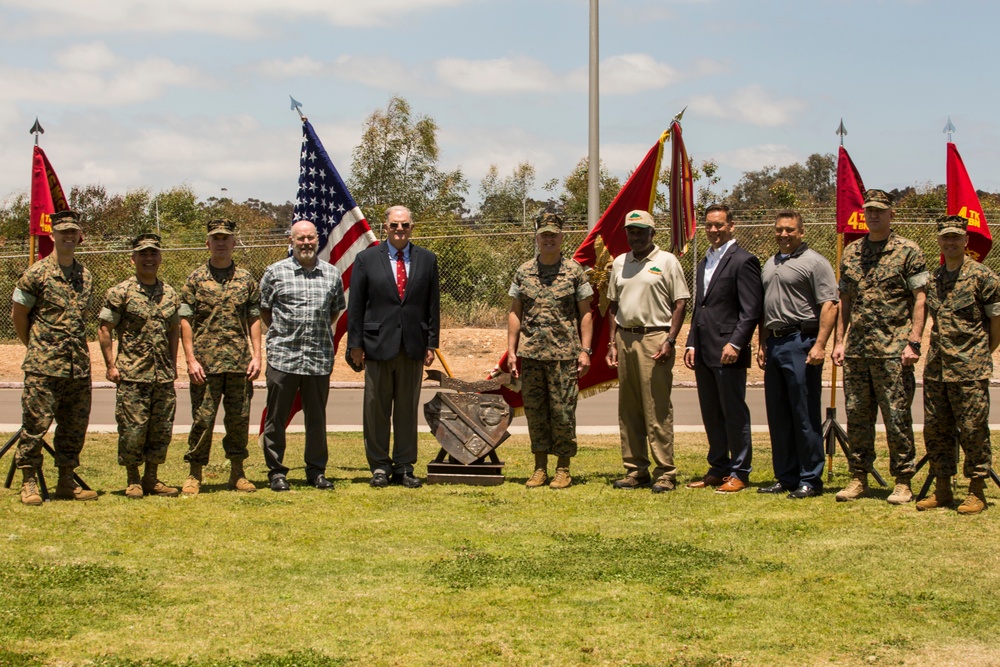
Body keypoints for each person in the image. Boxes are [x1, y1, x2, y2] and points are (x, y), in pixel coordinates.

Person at [832, 189, 928, 504]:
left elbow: (920, 299)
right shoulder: (852, 252)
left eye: (879, 211)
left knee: (897, 416)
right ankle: (859, 477)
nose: (873, 216)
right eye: (869, 211)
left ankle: (903, 481)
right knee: (857, 415)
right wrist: (839, 341)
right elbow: (845, 300)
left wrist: (914, 341)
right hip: (858, 350)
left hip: (894, 351)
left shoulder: (907, 251)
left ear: (891, 214)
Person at [347, 205, 440, 489]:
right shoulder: (366, 259)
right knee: (376, 408)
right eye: (394, 225)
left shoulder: (427, 259)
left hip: (412, 345)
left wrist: (432, 343)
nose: (400, 230)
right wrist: (355, 344)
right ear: (385, 227)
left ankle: (403, 466)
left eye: (405, 225)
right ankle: (378, 466)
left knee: (406, 410)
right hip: (376, 345)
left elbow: (432, 305)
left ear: (412, 227)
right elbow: (356, 306)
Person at [11, 210, 97, 505]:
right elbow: (18, 315)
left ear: (78, 236)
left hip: (77, 366)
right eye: (63, 233)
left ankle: (66, 481)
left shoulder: (85, 275)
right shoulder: (36, 273)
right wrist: (35, 347)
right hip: (43, 366)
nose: (68, 237)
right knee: (35, 426)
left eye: (73, 232)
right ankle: (29, 482)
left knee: (73, 427)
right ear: (53, 236)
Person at [916, 215, 1000, 515]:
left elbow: (996, 324)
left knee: (973, 430)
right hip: (937, 368)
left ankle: (977, 490)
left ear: (966, 241)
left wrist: (979, 355)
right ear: (939, 241)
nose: (950, 242)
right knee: (937, 430)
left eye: (955, 237)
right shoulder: (933, 279)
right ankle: (942, 489)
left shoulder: (984, 277)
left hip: (970, 369)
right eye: (945, 237)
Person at [507, 212, 593, 490]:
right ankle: (539, 468)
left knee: (563, 412)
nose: (548, 239)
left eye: (553, 234)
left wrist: (585, 350)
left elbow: (586, 314)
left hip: (564, 357)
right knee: (535, 412)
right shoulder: (523, 272)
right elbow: (515, 313)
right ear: (537, 237)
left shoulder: (574, 271)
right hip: (531, 355)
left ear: (561, 237)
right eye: (544, 234)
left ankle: (563, 468)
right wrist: (511, 350)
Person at [756, 210, 838, 499]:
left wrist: (819, 345)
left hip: (801, 342)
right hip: (775, 343)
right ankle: (786, 476)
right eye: (779, 229)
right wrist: (762, 342)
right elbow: (765, 308)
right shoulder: (770, 263)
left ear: (801, 232)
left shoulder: (815, 263)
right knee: (778, 415)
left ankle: (810, 479)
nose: (784, 234)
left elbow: (830, 304)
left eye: (790, 230)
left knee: (804, 414)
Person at [606, 210, 688, 492]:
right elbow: (613, 305)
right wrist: (612, 342)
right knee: (628, 409)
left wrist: (670, 339)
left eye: (642, 231)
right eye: (632, 231)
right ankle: (635, 469)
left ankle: (665, 472)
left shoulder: (666, 261)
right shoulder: (619, 262)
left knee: (656, 408)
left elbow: (680, 303)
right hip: (625, 338)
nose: (636, 236)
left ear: (653, 233)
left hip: (655, 338)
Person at [260, 219, 345, 492]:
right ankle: (276, 471)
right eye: (300, 238)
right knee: (276, 418)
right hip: (283, 357)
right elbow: (265, 312)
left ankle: (316, 471)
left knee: (316, 419)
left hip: (318, 358)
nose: (306, 243)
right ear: (291, 241)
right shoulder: (275, 273)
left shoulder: (332, 275)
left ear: (317, 240)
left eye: (310, 238)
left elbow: (335, 311)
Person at [178, 218, 261, 495]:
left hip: (239, 362)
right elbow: (185, 321)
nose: (221, 242)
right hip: (206, 363)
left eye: (226, 238)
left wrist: (257, 356)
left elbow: (253, 318)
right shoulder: (195, 279)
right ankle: (194, 473)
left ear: (234, 243)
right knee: (202, 419)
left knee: (238, 419)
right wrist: (190, 359)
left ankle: (237, 473)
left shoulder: (246, 279)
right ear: (208, 243)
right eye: (216, 238)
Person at [684, 204, 762, 494]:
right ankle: (718, 467)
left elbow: (751, 310)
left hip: (729, 350)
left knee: (733, 412)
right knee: (711, 412)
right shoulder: (704, 261)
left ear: (732, 226)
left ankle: (740, 471)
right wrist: (691, 341)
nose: (714, 230)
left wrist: (736, 343)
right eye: (709, 225)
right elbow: (700, 308)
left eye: (719, 225)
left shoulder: (744, 261)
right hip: (704, 350)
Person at [98, 233, 181, 499]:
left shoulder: (169, 293)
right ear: (133, 258)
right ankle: (133, 479)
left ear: (160, 258)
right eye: (143, 254)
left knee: (160, 429)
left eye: (153, 254)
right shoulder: (120, 292)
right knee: (133, 430)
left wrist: (172, 362)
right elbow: (104, 329)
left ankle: (152, 478)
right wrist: (111, 365)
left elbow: (174, 330)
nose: (149, 259)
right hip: (132, 373)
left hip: (162, 375)